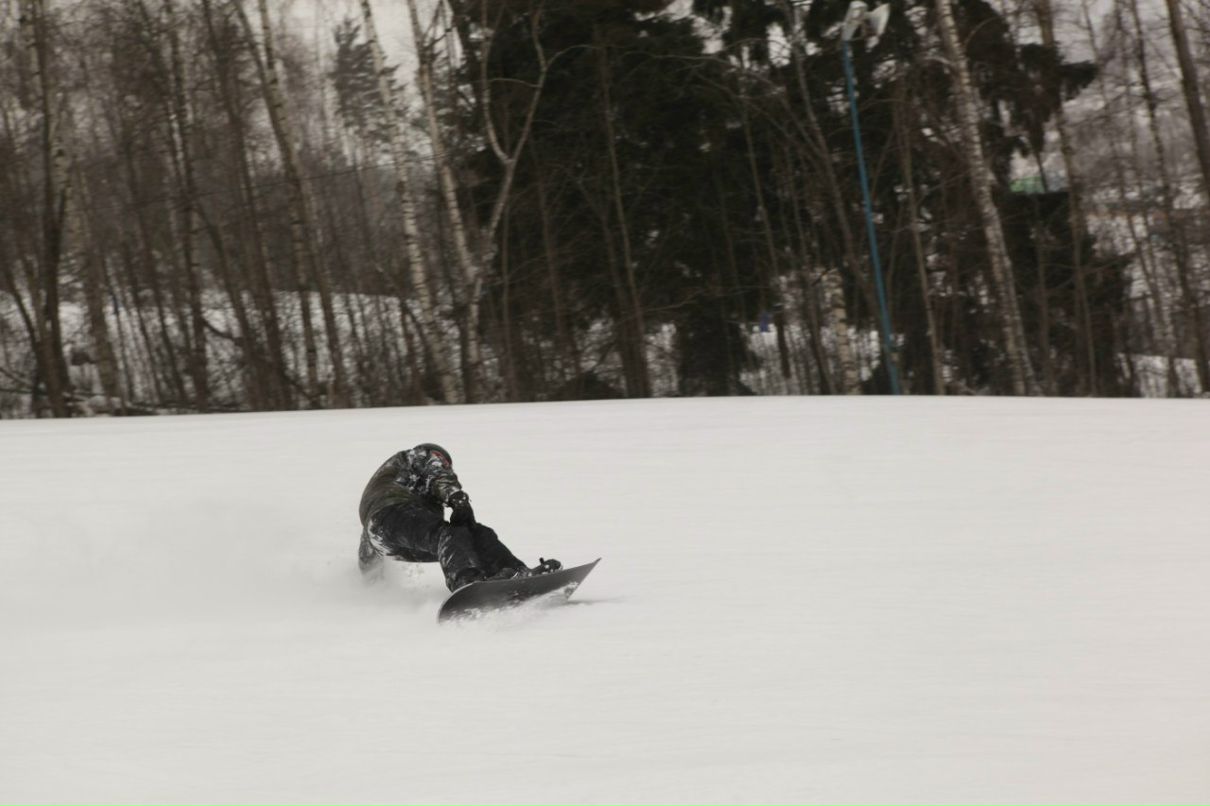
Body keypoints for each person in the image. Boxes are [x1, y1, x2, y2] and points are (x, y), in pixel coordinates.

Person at [358, 443, 559, 590]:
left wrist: (372, 581)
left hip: (386, 542)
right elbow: (437, 472)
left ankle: (514, 573)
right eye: (446, 464)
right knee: (448, 534)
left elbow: (371, 540)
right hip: (391, 512)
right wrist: (457, 498)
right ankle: (466, 583)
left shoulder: (421, 495)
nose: (446, 466)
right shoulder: (420, 455)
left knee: (467, 536)